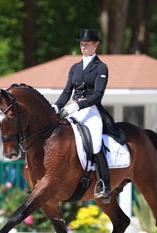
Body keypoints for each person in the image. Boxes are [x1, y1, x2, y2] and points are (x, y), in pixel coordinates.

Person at [52, 29, 111, 201]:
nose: (83, 46)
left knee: (95, 144)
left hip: (91, 110)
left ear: (96, 44)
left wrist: (78, 105)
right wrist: (56, 107)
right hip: (72, 108)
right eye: (81, 44)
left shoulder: (101, 67)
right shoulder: (75, 68)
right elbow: (66, 92)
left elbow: (98, 94)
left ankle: (104, 184)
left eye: (87, 44)